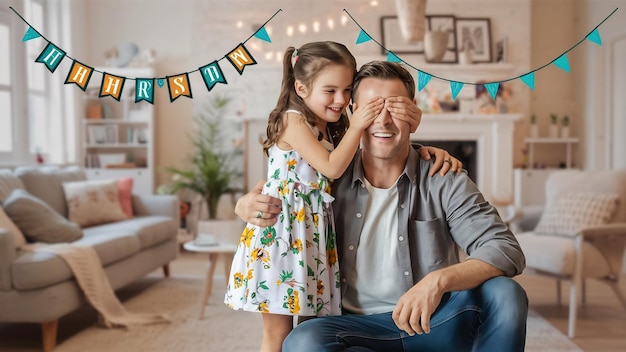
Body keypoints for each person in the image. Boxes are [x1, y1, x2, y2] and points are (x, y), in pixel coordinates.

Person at [235, 60, 528, 352]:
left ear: (413, 112)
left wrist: (438, 281)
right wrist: (245, 205)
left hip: (433, 323)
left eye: (396, 109)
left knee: (504, 294)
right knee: (303, 341)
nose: (383, 121)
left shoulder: (442, 177)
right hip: (353, 329)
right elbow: (280, 191)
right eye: (372, 109)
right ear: (352, 112)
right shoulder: (326, 179)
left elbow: (504, 248)